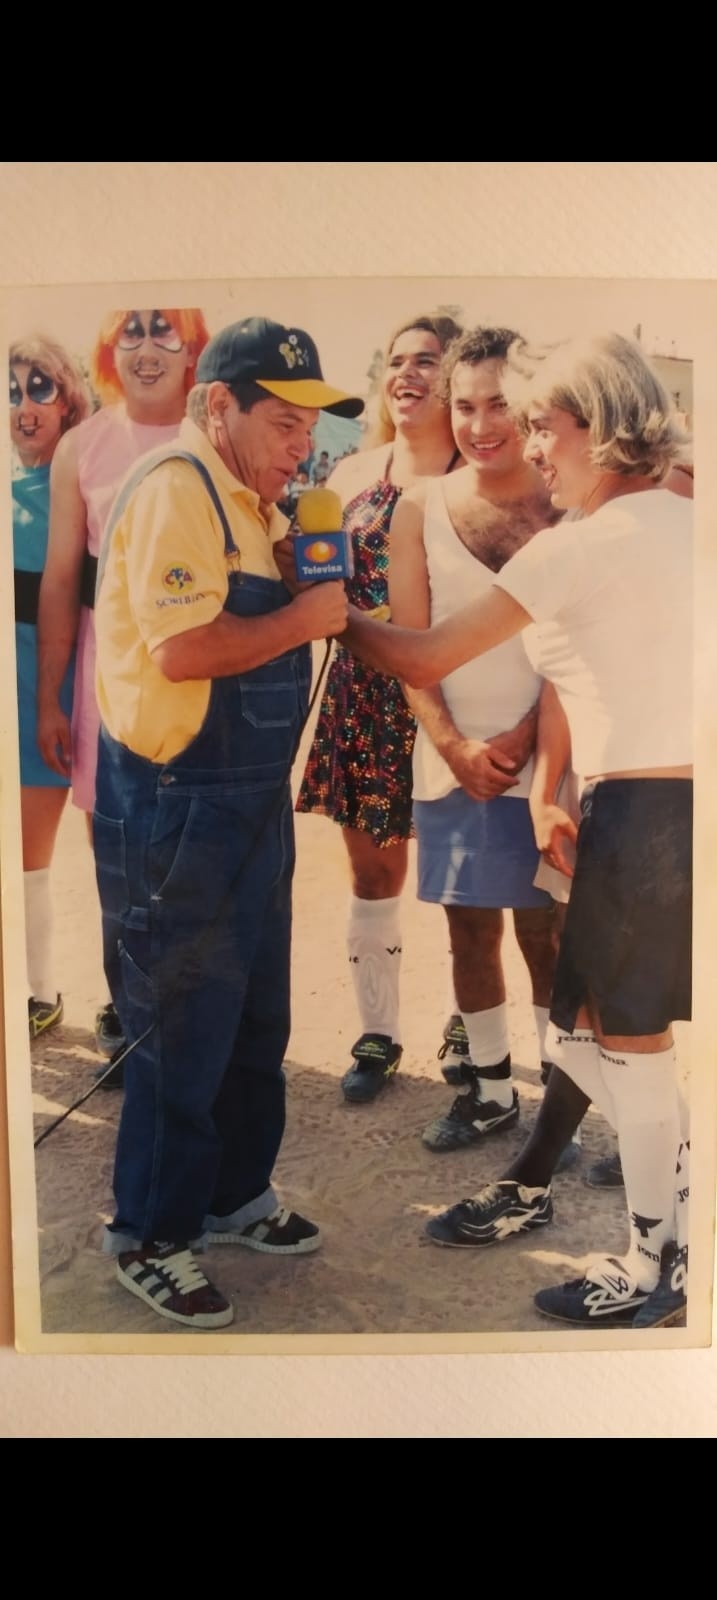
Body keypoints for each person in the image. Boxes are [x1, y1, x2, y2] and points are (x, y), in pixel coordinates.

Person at [343, 332, 692, 1329]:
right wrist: (556, 786)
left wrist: (324, 608)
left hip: (639, 818)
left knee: (631, 1049)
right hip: (663, 805)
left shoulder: (572, 544)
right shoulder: (685, 514)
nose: (533, 446)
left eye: (546, 424)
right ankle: (635, 1216)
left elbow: (423, 652)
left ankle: (660, 1257)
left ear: (601, 426)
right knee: (595, 1035)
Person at [93, 315, 358, 1328]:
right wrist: (303, 617)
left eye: (310, 429)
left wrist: (297, 571)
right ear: (220, 406)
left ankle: (235, 1195)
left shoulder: (254, 502)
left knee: (257, 1016)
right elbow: (182, 651)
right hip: (179, 802)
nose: (302, 445)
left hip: (249, 797)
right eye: (283, 424)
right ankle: (152, 1234)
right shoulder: (176, 490)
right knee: (185, 1027)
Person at [388, 327, 573, 1153]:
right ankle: (491, 1092)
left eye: (498, 403)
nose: (480, 424)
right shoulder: (418, 508)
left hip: (553, 761)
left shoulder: (568, 498)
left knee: (549, 933)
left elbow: (580, 636)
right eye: (463, 405)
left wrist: (533, 738)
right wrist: (458, 748)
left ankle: (560, 1107)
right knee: (469, 929)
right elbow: (406, 646)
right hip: (454, 764)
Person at [296, 312, 464, 1103]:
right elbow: (315, 580)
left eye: (427, 360)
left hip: (460, 696)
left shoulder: (481, 477)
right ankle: (378, 1034)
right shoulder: (349, 476)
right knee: (372, 875)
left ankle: (472, 1027)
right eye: (396, 360)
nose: (408, 374)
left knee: (470, 875)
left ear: (456, 375)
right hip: (363, 694)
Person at [37, 307, 210, 1065]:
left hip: (199, 675)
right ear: (109, 347)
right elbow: (60, 580)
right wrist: (50, 695)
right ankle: (124, 1008)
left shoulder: (212, 429)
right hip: (105, 686)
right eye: (130, 333)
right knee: (115, 853)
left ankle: (192, 1018)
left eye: (165, 331)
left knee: (191, 855)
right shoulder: (82, 446)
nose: (147, 349)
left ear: (194, 345)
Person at [11, 336, 92, 1037]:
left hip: (83, 697)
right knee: (23, 858)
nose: (23, 405)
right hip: (20, 703)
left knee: (114, 857)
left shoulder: (90, 488)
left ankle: (124, 1003)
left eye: (39, 387)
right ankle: (37, 993)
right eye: (10, 393)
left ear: (67, 397)